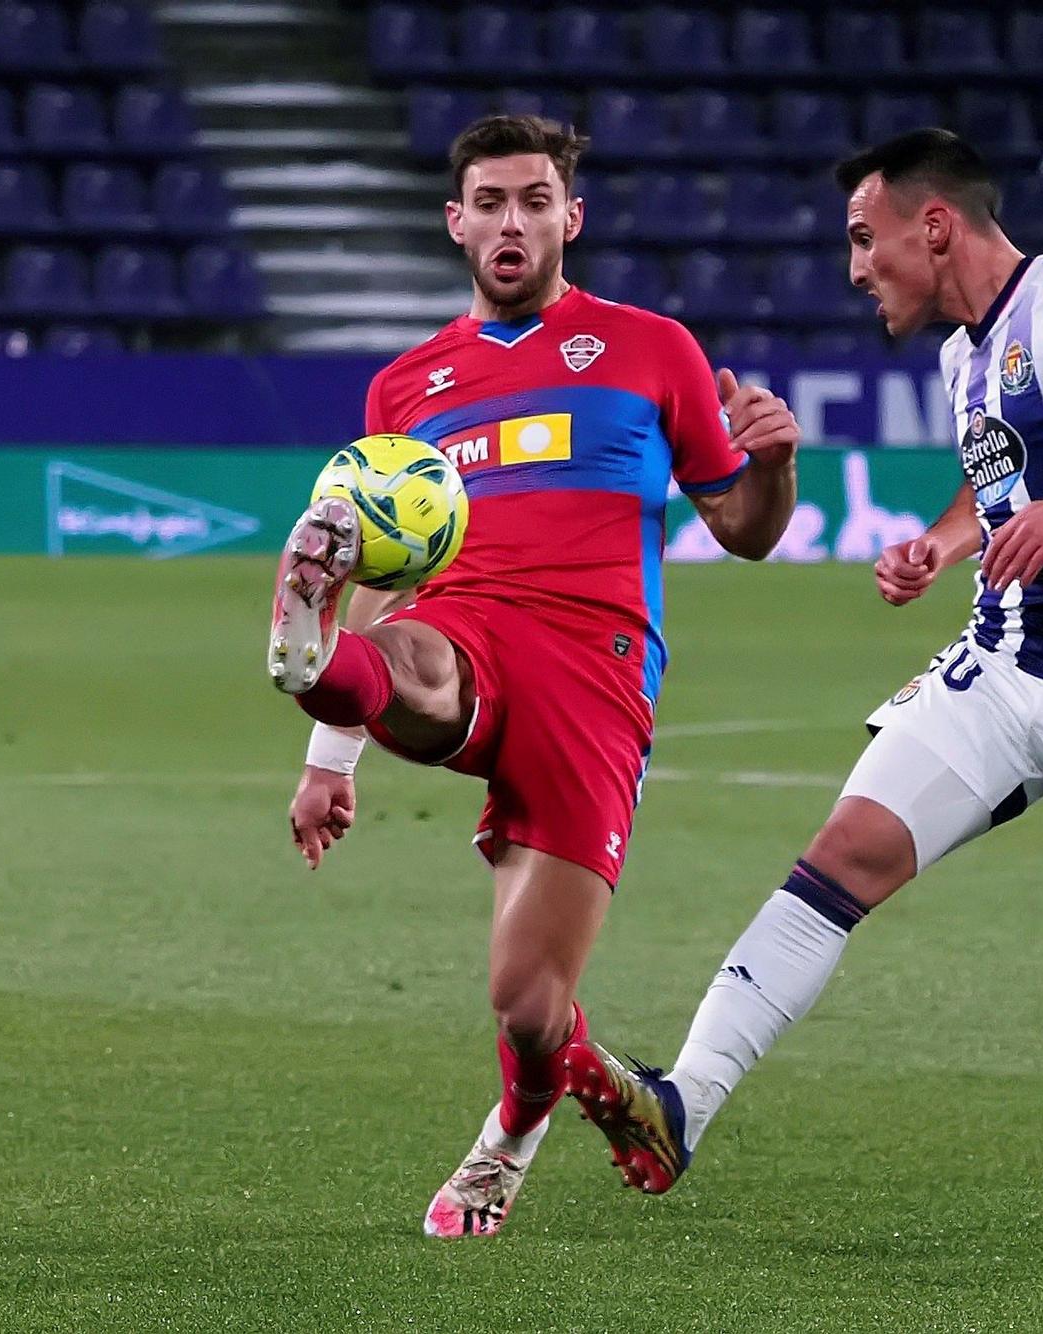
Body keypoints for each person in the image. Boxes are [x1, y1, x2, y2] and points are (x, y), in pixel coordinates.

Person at [566, 128, 1043, 1197]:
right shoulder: (963, 354)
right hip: (1006, 659)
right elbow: (997, 479)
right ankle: (683, 1104)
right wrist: (944, 543)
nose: (854, 268)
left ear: (932, 223)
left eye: (864, 238)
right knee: (842, 852)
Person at [265, 114, 800, 1237]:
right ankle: (312, 666)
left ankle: (531, 1123)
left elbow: (744, 530)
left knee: (528, 1003)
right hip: (460, 629)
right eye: (490, 202)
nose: (512, 222)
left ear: (570, 217)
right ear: (456, 221)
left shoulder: (654, 349)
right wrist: (329, 754)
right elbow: (382, 575)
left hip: (595, 664)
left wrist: (776, 460)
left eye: (534, 199)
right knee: (406, 655)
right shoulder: (403, 389)